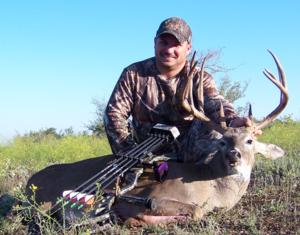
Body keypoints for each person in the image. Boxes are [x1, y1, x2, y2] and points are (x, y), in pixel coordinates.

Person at [104, 16, 250, 157]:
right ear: (155, 42)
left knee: (213, 132)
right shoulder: (133, 74)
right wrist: (130, 153)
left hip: (189, 148)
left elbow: (214, 103)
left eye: (176, 45)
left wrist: (233, 119)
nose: (168, 50)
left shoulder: (200, 77)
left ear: (188, 48)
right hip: (144, 150)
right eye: (164, 42)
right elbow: (113, 114)